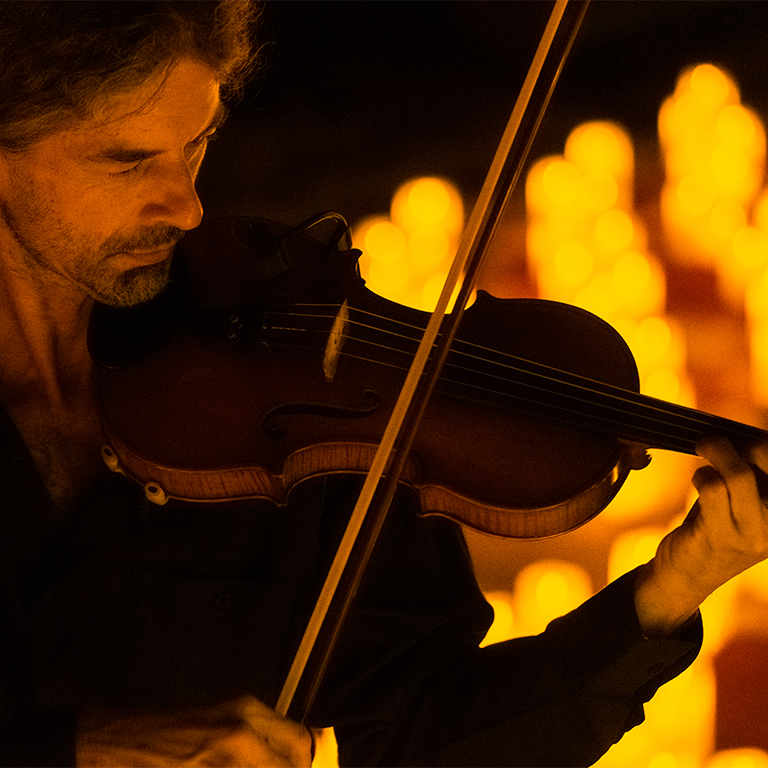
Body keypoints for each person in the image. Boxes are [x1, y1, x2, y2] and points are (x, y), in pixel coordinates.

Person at [0, 2, 766, 766]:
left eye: (195, 146)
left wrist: (675, 585)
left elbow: (427, 735)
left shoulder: (296, 397)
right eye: (128, 162)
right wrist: (74, 748)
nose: (189, 206)